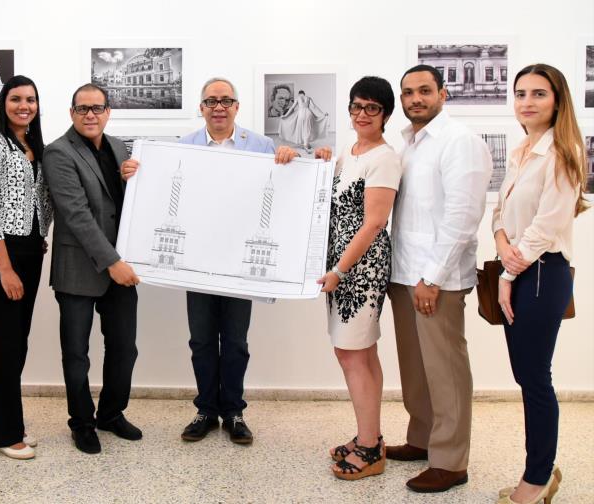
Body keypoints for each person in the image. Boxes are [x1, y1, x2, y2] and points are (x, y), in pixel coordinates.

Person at [124, 77, 296, 445]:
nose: (219, 106)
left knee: (235, 341)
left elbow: (288, 186)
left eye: (226, 100)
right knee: (201, 340)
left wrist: (291, 158)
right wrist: (135, 175)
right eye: (211, 101)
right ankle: (205, 409)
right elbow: (160, 187)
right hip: (198, 262)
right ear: (200, 108)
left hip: (240, 264)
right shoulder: (182, 148)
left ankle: (233, 411)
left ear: (236, 107)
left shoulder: (262, 145)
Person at [387, 65, 492, 493]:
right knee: (415, 368)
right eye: (408, 92)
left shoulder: (459, 141)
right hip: (404, 273)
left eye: (424, 91)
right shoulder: (408, 144)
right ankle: (422, 438)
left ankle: (450, 461)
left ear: (443, 94)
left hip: (437, 280)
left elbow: (462, 218)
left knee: (445, 368)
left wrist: (432, 277)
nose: (416, 99)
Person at [492, 63, 587, 504]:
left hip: (542, 275)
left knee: (534, 378)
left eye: (538, 94)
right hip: (519, 268)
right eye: (521, 94)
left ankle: (538, 478)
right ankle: (540, 470)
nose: (527, 102)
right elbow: (500, 212)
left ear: (557, 100)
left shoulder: (563, 154)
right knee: (525, 375)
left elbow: (548, 224)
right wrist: (500, 242)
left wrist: (509, 272)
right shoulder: (520, 153)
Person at [42, 83, 141, 455]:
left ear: (108, 112)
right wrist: (112, 262)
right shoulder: (58, 152)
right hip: (80, 268)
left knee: (124, 348)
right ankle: (82, 422)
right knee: (76, 354)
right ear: (71, 113)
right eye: (82, 109)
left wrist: (132, 179)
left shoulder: (118, 147)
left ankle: (111, 414)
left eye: (97, 108)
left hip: (121, 267)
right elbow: (77, 215)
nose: (90, 115)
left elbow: (122, 206)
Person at [314, 77, 402, 480]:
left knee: (353, 353)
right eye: (356, 106)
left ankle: (369, 448)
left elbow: (373, 223)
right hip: (341, 267)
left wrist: (339, 270)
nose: (362, 114)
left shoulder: (384, 157)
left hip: (360, 269)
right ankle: (371, 435)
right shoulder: (349, 152)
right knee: (359, 353)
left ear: (385, 114)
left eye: (372, 108)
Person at [0, 75, 53, 460]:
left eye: (31, 100)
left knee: (17, 342)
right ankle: (5, 434)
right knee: (6, 343)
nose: (25, 105)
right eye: (17, 99)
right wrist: (4, 268)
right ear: (3, 103)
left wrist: (42, 235)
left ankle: (12, 423)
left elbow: (43, 201)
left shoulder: (34, 145)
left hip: (30, 251)